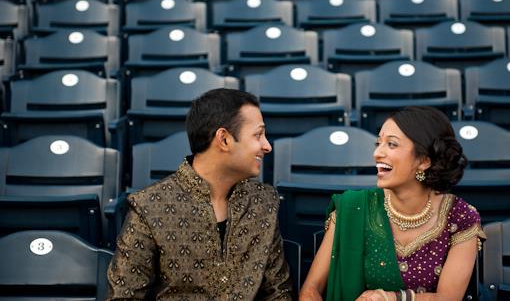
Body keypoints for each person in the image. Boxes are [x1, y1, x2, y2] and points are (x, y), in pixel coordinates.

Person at [107, 88, 293, 300]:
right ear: (224, 139)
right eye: (258, 135)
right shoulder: (148, 208)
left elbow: (279, 293)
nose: (267, 146)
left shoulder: (264, 203)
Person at [299, 106, 486, 301]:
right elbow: (310, 290)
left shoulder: (460, 217)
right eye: (378, 143)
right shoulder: (353, 208)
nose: (377, 154)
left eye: (392, 144)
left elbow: (448, 298)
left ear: (424, 160)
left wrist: (392, 298)